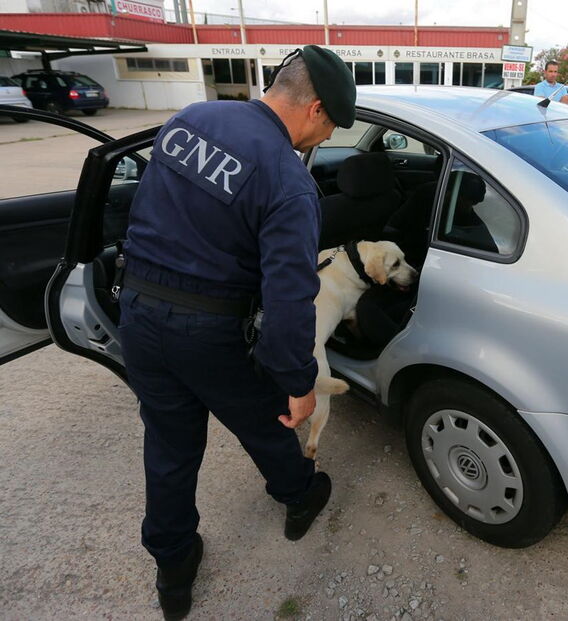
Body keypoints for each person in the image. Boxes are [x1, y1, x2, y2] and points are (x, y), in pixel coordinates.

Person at [117, 45, 356, 620]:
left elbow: (148, 206)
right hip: (209, 331)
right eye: (329, 127)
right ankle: (299, 495)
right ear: (315, 109)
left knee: (169, 446)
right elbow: (289, 299)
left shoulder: (189, 120)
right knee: (267, 419)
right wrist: (298, 383)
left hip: (139, 314)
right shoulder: (288, 181)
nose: (324, 139)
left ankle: (173, 568)